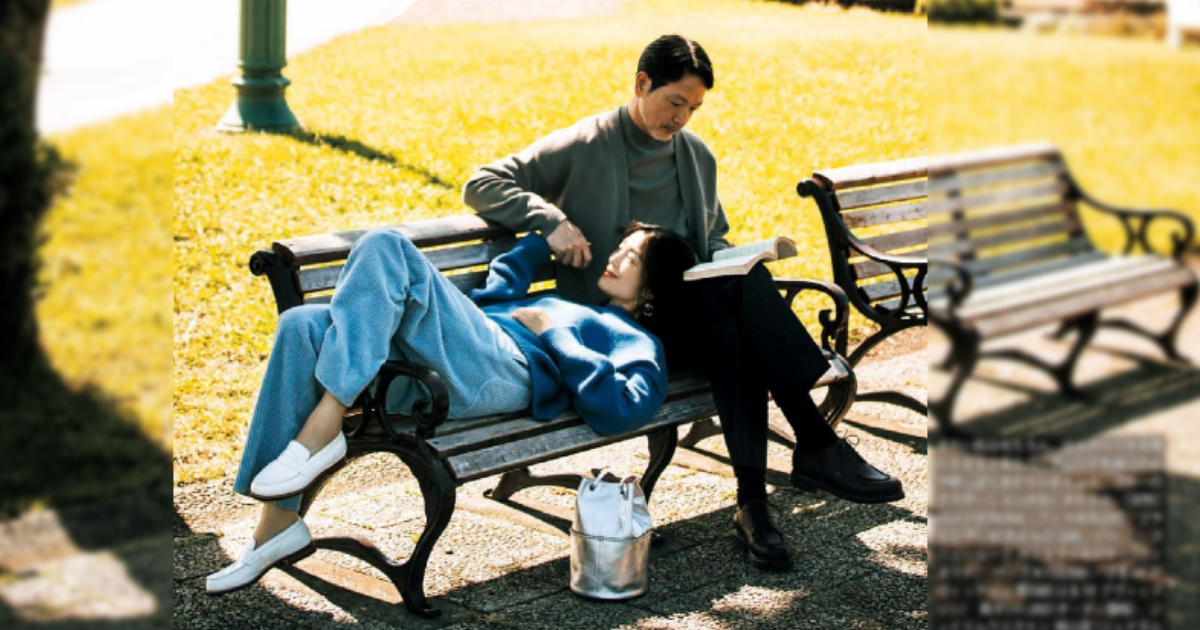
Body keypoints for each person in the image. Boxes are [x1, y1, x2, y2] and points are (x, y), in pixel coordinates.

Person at [463, 34, 903, 571]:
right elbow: (482, 183)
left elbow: (711, 238)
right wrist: (549, 220)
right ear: (641, 83)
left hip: (685, 318)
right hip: (617, 326)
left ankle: (755, 504)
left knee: (735, 319)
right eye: (675, 102)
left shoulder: (696, 156)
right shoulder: (584, 144)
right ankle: (811, 445)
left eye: (693, 108)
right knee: (736, 318)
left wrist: (739, 256)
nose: (682, 118)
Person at [205, 222, 697, 595]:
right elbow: (492, 297)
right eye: (620, 248)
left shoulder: (634, 340)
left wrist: (555, 335)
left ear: (651, 289)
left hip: (503, 373)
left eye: (631, 257)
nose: (615, 257)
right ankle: (276, 527)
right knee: (299, 326)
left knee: (384, 244)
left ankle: (326, 421)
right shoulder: (570, 300)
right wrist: (539, 242)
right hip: (457, 353)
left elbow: (622, 409)